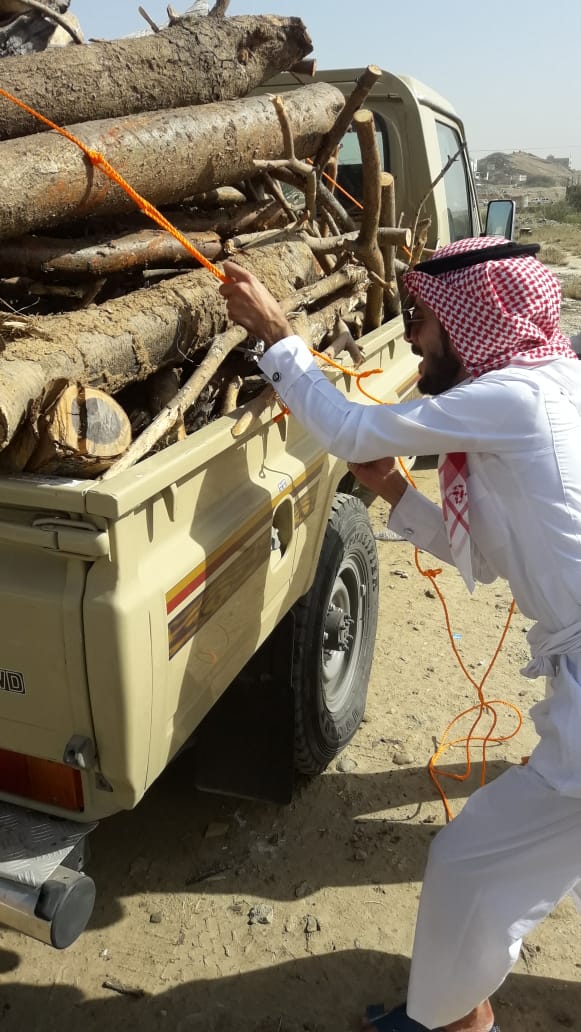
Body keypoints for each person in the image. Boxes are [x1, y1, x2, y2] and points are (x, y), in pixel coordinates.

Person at [219, 236, 581, 1032]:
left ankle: (457, 1022)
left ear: (473, 319)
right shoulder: (548, 385)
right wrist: (390, 491)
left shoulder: (514, 399)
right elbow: (488, 544)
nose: (412, 336)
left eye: (420, 316)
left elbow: (348, 429)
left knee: (466, 859)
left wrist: (277, 334)